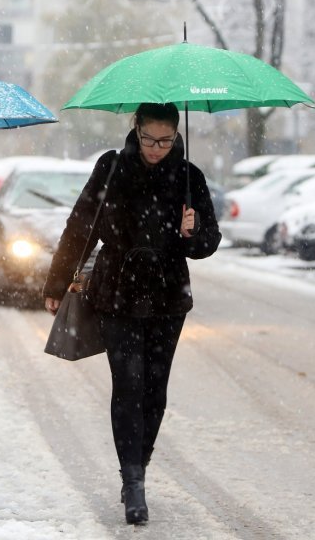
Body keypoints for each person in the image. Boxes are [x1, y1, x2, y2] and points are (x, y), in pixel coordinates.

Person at [42, 102, 222, 525]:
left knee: (155, 390)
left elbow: (209, 242)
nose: (156, 148)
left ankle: (138, 463)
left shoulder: (189, 177)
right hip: (117, 289)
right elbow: (81, 225)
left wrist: (192, 234)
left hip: (167, 294)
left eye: (165, 140)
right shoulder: (110, 168)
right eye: (148, 139)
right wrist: (56, 282)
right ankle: (134, 481)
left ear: (176, 135)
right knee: (128, 383)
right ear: (135, 129)